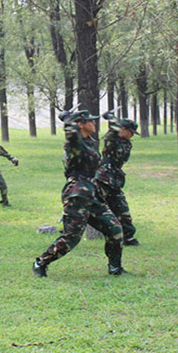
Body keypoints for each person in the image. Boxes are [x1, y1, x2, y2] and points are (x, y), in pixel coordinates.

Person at [32, 110, 125, 277]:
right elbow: (71, 135)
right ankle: (41, 262)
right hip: (77, 195)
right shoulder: (74, 143)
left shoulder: (90, 142)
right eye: (90, 121)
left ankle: (115, 268)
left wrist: (111, 119)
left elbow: (115, 135)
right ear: (80, 124)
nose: (94, 124)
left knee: (115, 229)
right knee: (71, 238)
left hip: (93, 194)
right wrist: (68, 120)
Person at [95, 111, 141, 246]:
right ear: (123, 129)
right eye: (130, 131)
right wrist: (111, 118)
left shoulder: (126, 142)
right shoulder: (111, 138)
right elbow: (114, 129)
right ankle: (69, 230)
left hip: (115, 179)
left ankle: (128, 236)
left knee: (122, 208)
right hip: (103, 178)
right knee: (90, 206)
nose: (132, 135)